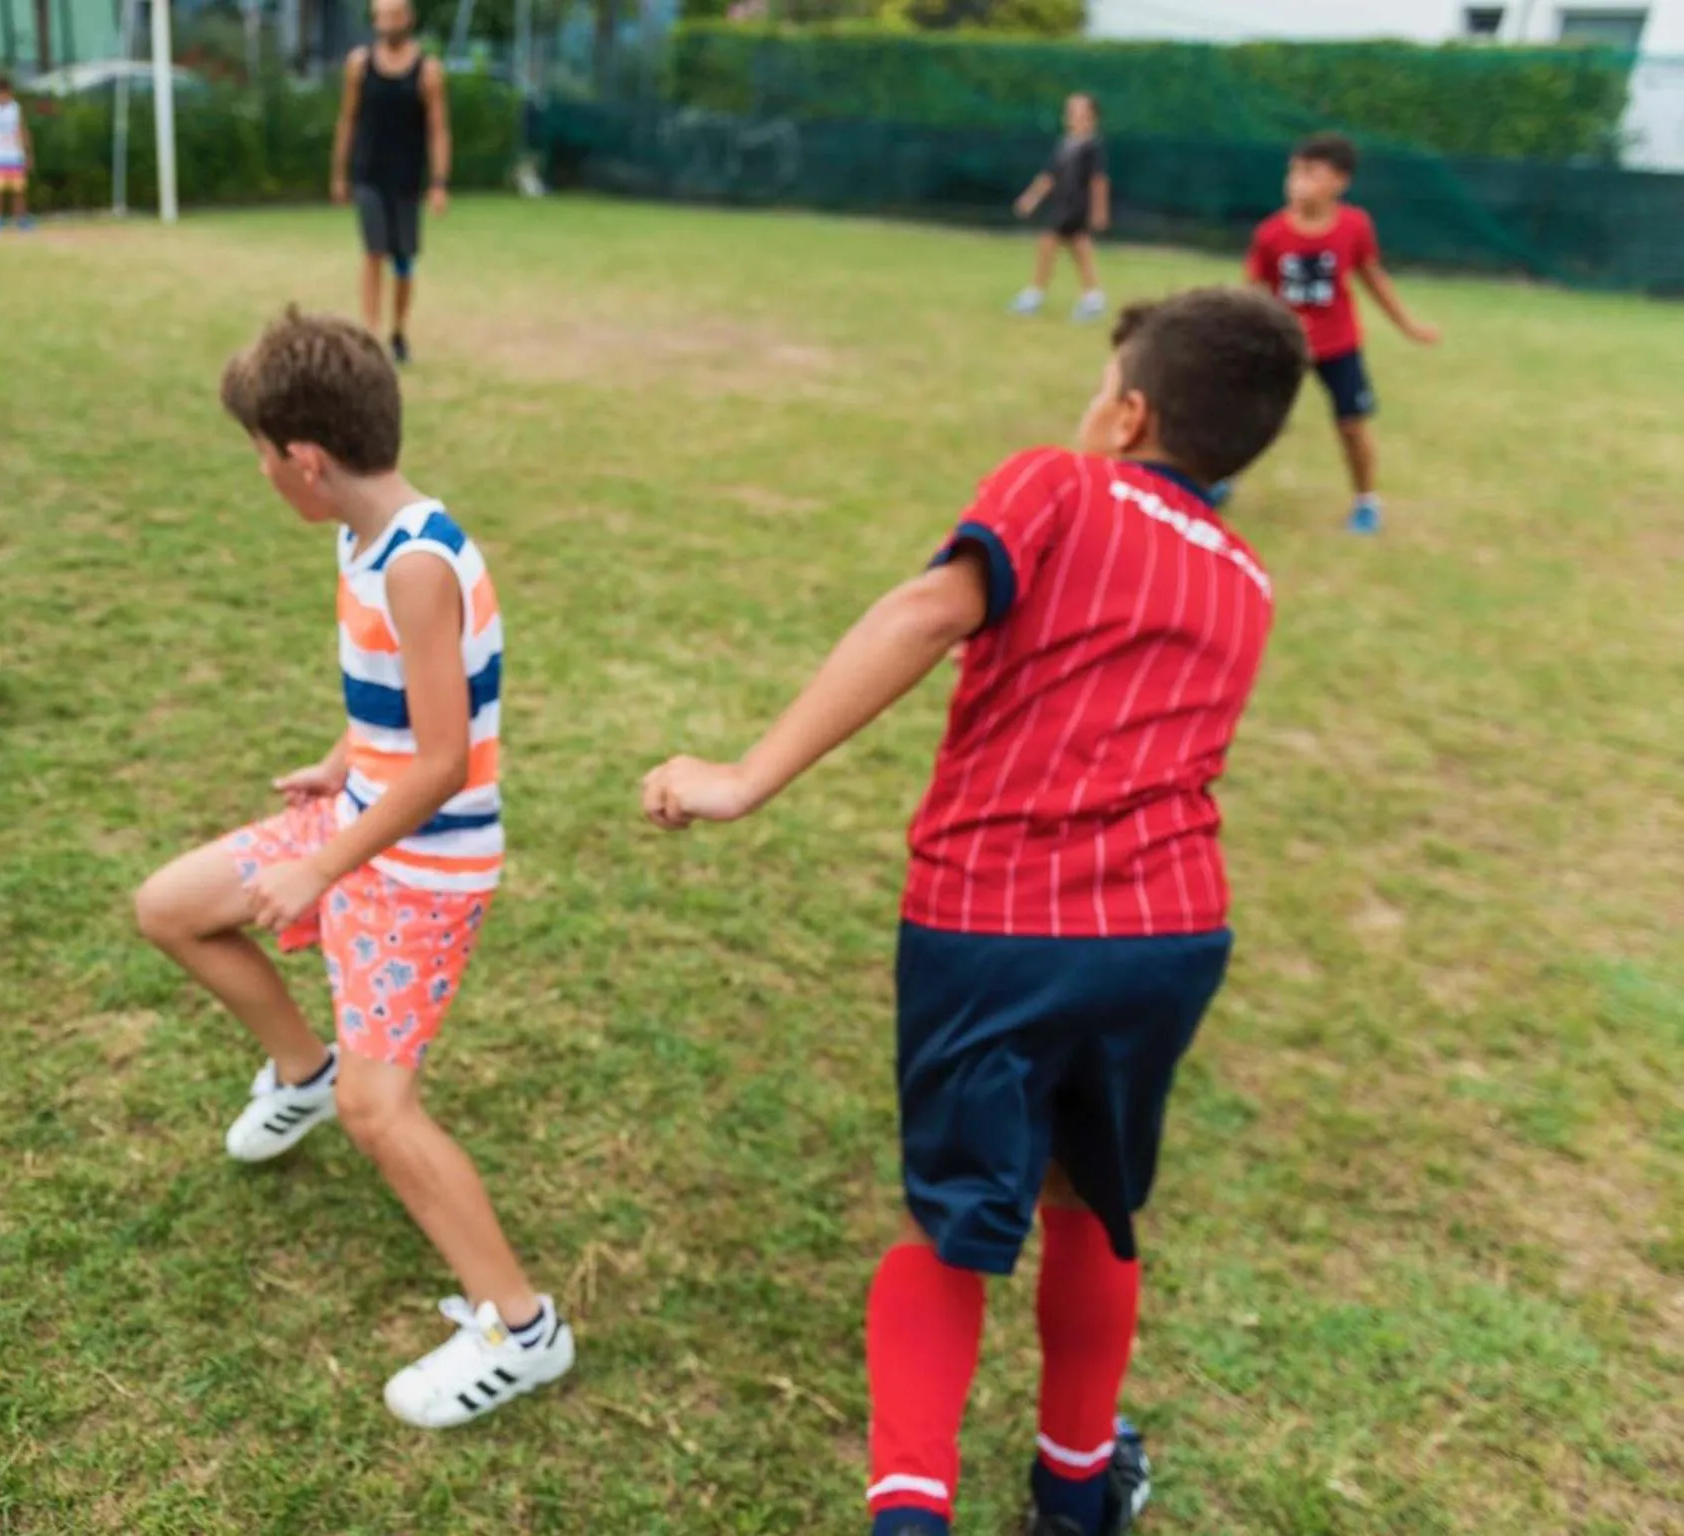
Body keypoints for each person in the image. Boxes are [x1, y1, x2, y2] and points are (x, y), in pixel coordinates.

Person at [641, 288, 1312, 1536]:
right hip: (1170, 933)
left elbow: (924, 609)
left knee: (949, 1220)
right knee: (1088, 1197)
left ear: (1127, 412)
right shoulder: (1249, 580)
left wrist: (740, 778)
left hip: (997, 917)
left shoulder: (1060, 482)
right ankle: (1073, 1491)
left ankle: (911, 1517)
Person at [131, 308, 574, 1428]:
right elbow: (401, 717)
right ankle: (301, 1071)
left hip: (422, 870)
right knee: (171, 908)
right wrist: (337, 765)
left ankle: (521, 1330)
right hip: (367, 819)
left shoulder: (419, 563)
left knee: (387, 1115)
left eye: (263, 455)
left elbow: (442, 759)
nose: (263, 473)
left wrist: (320, 866)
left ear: (308, 461)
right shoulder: (358, 535)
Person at [1246, 131, 1439, 534]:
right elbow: (1252, 292)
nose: (1297, 181)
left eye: (1311, 173)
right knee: (1254, 419)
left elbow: (1373, 277)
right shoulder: (1270, 234)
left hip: (1338, 347)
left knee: (1352, 425)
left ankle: (1366, 501)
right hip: (1285, 346)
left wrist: (1409, 326)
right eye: (1294, 172)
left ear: (1339, 182)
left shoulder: (1354, 226)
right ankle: (1218, 479)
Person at [331, 0, 451, 366]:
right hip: (369, 176)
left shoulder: (427, 71)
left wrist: (439, 182)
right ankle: (370, 333)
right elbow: (347, 120)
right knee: (373, 253)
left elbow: (438, 129)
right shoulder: (358, 65)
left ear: (409, 19)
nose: (387, 23)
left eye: (394, 15)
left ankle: (398, 331)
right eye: (381, 16)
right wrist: (339, 172)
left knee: (403, 261)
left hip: (407, 180)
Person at [1011, 93, 1111, 323]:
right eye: (1070, 111)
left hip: (1077, 207)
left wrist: (1100, 212)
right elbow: (1049, 176)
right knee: (1079, 249)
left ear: (1092, 117)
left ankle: (1034, 295)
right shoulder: (1065, 144)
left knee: (1048, 242)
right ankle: (1093, 298)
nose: (1073, 116)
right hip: (1062, 204)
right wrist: (1031, 198)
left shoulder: (1092, 146)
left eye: (1080, 112)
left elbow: (1099, 181)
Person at [0, 74, 34, 232]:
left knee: (19, 190)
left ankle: (21, 219)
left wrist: (27, 152)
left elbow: (22, 130)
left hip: (14, 155)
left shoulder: (15, 108)